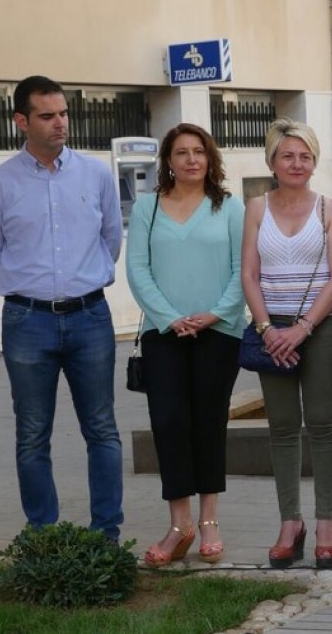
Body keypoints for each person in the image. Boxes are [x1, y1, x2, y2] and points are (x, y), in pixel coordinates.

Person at [0, 75, 124, 542]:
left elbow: (111, 239)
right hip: (27, 321)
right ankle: (43, 537)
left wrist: (81, 281)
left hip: (90, 317)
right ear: (22, 121)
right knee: (33, 434)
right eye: (47, 115)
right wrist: (27, 288)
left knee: (102, 429)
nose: (60, 123)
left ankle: (106, 537)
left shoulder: (96, 174)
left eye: (63, 113)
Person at [127, 123, 245, 566]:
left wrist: (215, 313)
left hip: (220, 330)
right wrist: (169, 318)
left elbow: (242, 269)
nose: (192, 159)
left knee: (208, 422)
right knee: (169, 423)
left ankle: (210, 520)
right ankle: (180, 525)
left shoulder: (230, 207)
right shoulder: (147, 209)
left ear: (210, 158)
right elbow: (138, 270)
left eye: (199, 151)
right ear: (168, 161)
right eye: (182, 153)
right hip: (164, 334)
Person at [242, 119, 332, 569]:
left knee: (322, 422)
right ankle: (291, 523)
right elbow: (249, 274)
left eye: (305, 155)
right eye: (288, 155)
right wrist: (268, 330)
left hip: (321, 329)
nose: (297, 163)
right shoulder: (255, 208)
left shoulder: (330, 208)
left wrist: (302, 328)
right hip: (272, 331)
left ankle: (326, 521)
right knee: (282, 426)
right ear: (272, 160)